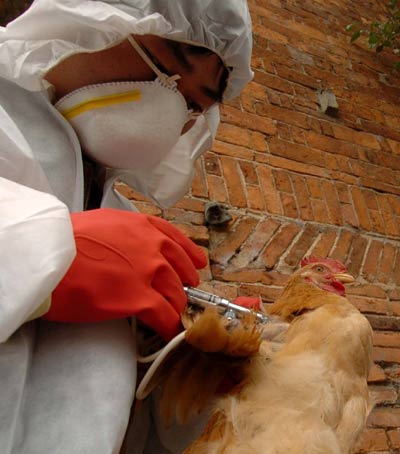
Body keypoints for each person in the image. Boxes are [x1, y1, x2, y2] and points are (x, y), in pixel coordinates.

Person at [0, 1, 253, 453]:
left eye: (194, 105)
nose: (170, 106)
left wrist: (189, 375)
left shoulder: (126, 228)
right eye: (173, 63)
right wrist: (42, 258)